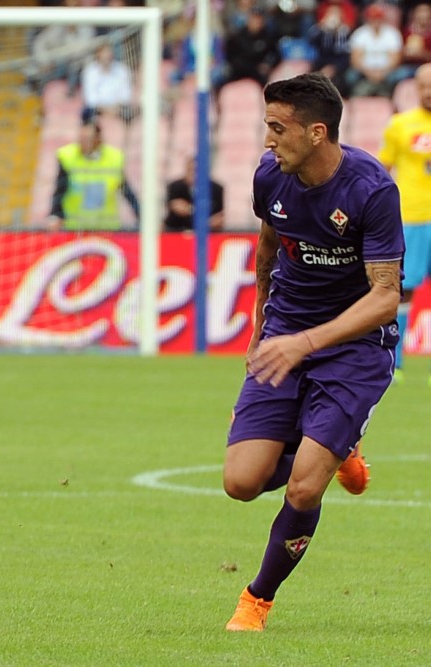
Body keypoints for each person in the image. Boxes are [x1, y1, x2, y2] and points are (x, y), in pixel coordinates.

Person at [224, 72, 403, 632]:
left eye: (279, 129)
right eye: (267, 127)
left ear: (317, 132)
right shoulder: (270, 177)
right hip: (284, 333)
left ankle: (256, 600)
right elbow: (268, 249)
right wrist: (261, 328)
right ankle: (333, 443)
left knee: (304, 485)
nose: (269, 140)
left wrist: (305, 341)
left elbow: (385, 298)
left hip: (354, 346)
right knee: (241, 483)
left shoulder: (371, 190)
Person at [377, 63, 431, 381]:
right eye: (425, 86)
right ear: (416, 88)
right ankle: (394, 362)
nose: (429, 92)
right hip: (411, 217)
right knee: (403, 290)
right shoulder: (400, 125)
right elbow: (382, 170)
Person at [46, 117, 140, 231]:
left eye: (87, 139)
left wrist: (140, 216)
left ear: (98, 139)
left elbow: (127, 192)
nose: (83, 143)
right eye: (81, 138)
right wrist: (56, 215)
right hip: (76, 228)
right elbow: (60, 190)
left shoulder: (114, 159)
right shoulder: (68, 158)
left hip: (106, 228)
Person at [163, 156, 224, 232]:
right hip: (178, 231)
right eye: (190, 170)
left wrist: (189, 209)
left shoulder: (216, 189)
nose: (193, 174)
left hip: (207, 232)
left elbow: (219, 217)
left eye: (196, 171)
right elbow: (176, 207)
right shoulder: (175, 187)